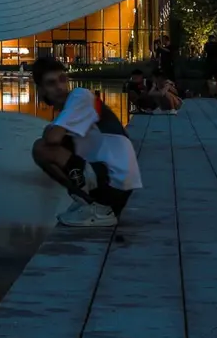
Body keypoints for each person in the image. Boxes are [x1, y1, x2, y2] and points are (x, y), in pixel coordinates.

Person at [31, 56, 141, 228]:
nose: (60, 87)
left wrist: (51, 132)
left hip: (114, 184)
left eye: (62, 79)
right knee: (61, 142)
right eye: (51, 83)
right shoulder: (73, 108)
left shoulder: (80, 95)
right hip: (117, 185)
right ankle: (91, 203)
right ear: (41, 90)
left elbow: (52, 139)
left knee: (41, 149)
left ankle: (96, 206)